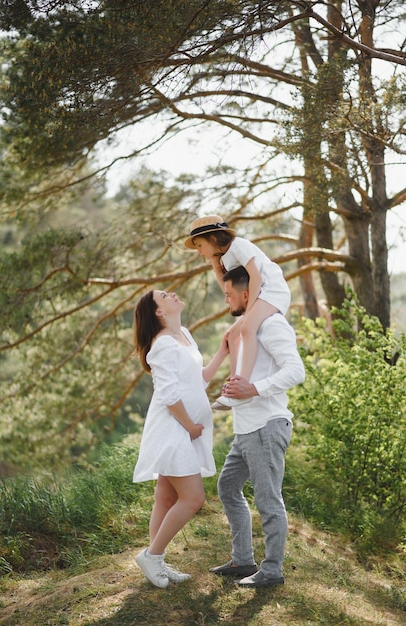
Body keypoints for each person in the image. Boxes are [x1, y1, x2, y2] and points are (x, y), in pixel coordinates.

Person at [209, 266, 305, 588]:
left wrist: (254, 389)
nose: (226, 301)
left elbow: (296, 371)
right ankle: (243, 560)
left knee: (268, 500)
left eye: (229, 294)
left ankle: (272, 571)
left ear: (246, 294)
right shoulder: (245, 331)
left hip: (266, 426)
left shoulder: (271, 324)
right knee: (227, 486)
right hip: (246, 429)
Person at [133, 289, 229, 588]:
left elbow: (198, 379)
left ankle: (156, 562)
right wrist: (190, 426)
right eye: (164, 295)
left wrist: (223, 352)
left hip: (185, 429)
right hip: (174, 429)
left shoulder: (184, 334)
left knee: (166, 496)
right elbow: (168, 394)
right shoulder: (161, 345)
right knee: (193, 498)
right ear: (158, 312)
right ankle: (152, 555)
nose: (172, 293)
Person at [184, 215, 291, 410]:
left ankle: (243, 384)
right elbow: (228, 287)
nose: (198, 251)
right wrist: (216, 265)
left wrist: (248, 314)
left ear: (213, 239)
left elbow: (256, 278)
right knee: (232, 335)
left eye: (199, 245)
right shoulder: (224, 257)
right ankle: (233, 388)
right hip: (257, 296)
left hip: (272, 291)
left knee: (247, 329)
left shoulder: (239, 246)